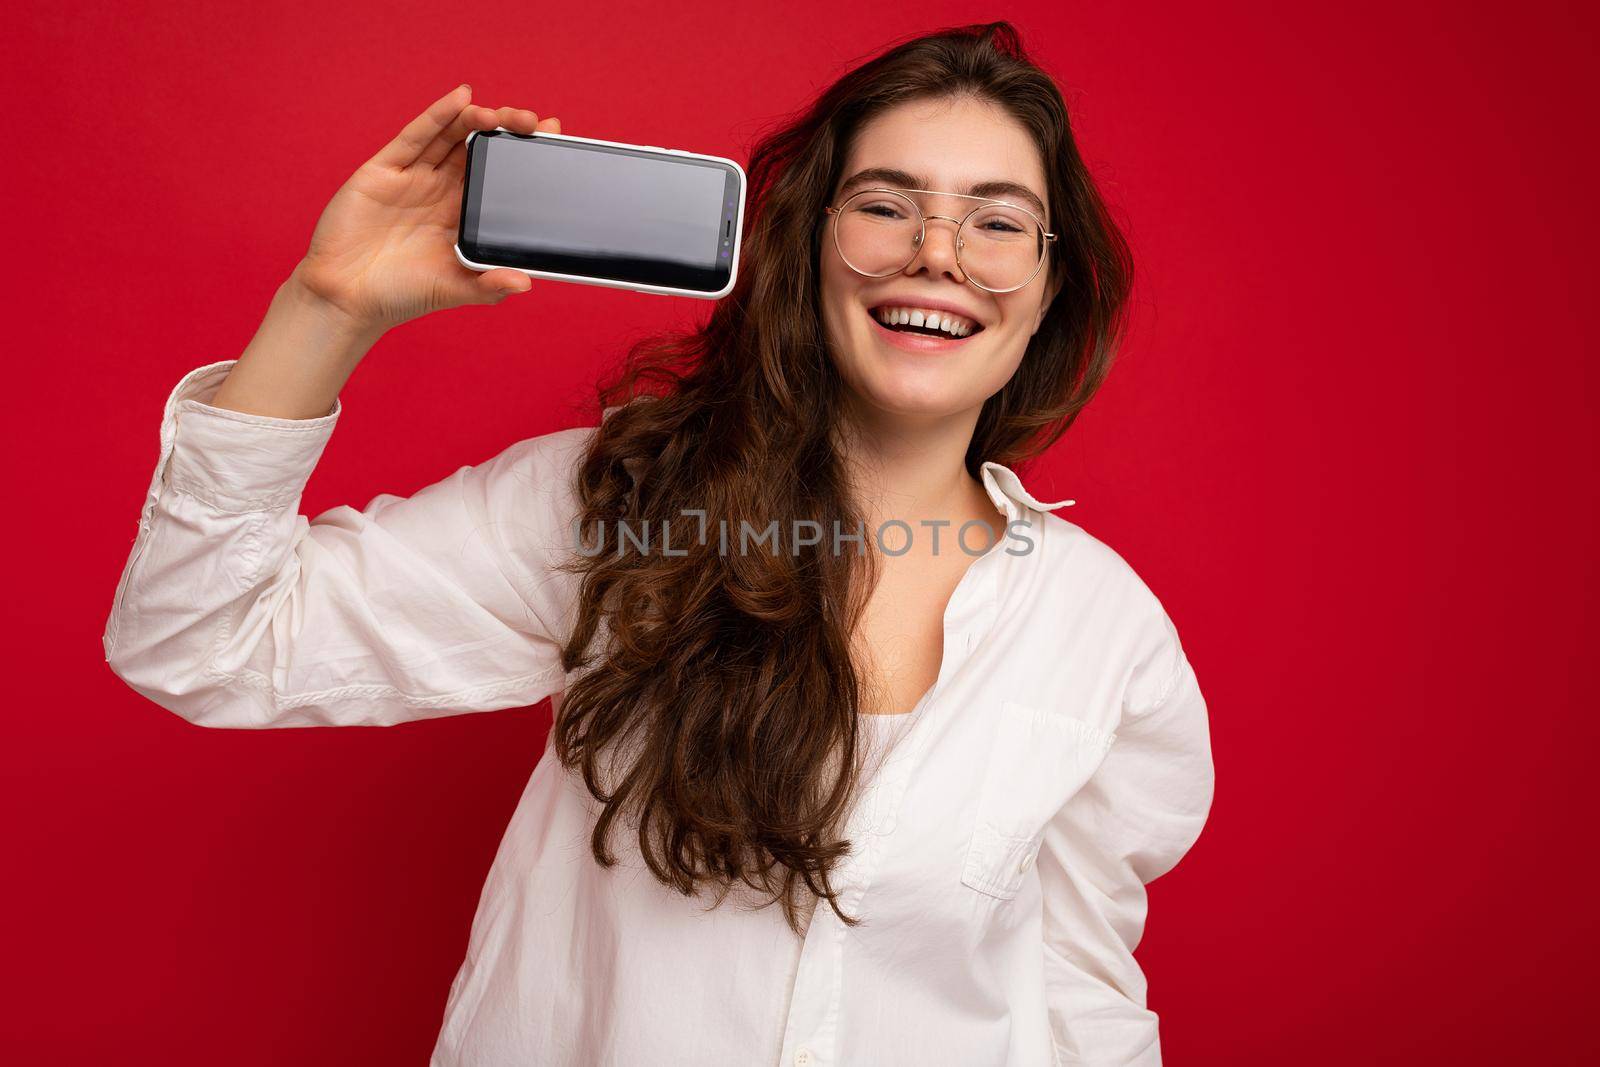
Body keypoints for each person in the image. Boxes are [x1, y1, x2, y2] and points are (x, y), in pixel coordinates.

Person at [103, 21, 1214, 1067]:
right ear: (810, 245)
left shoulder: (1101, 629)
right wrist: (325, 305)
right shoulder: (615, 509)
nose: (936, 253)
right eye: (885, 205)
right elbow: (203, 639)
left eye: (997, 220)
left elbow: (1077, 994)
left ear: (1048, 286)